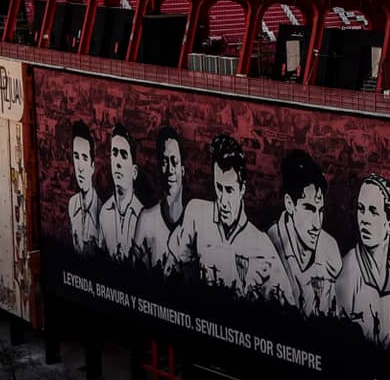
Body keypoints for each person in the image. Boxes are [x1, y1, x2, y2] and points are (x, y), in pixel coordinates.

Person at [163, 133, 278, 293]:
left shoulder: (262, 245)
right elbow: (171, 268)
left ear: (242, 189)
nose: (223, 200)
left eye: (230, 190)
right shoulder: (196, 214)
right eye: (219, 187)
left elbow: (287, 308)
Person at [336, 175, 390, 379]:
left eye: (373, 211)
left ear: (389, 226)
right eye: (361, 209)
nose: (364, 218)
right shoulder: (347, 274)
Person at [269, 149, 341, 313]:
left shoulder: (330, 250)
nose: (317, 223)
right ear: (289, 204)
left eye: (320, 210)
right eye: (308, 209)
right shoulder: (269, 247)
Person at [134, 127, 186, 271]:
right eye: (164, 162)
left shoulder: (195, 224)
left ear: (182, 170)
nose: (170, 170)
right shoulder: (146, 220)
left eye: (174, 162)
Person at [98, 124, 143, 260]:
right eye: (114, 153)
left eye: (124, 155)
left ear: (134, 171)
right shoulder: (104, 213)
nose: (118, 162)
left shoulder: (143, 217)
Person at [66, 121, 101, 254]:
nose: (80, 167)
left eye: (85, 158)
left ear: (92, 166)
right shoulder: (72, 204)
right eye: (76, 157)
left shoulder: (101, 212)